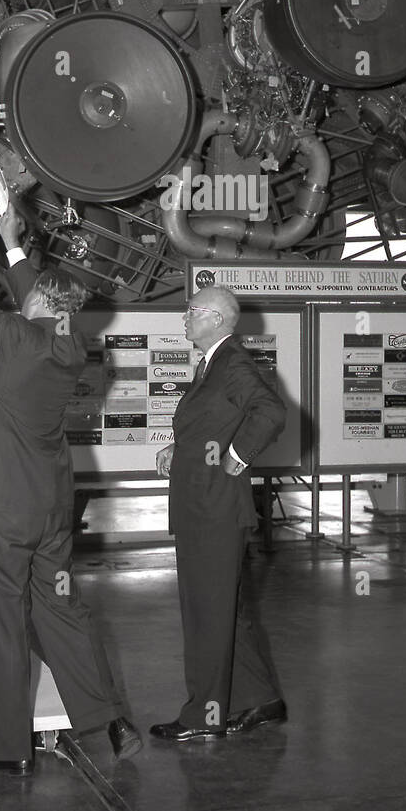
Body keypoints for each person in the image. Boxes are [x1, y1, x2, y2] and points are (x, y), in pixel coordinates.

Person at [0, 182, 141, 774]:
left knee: (0, 622)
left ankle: (8, 752)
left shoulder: (14, 340)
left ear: (37, 305)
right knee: (62, 612)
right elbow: (38, 294)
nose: (18, 296)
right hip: (51, 512)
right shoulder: (68, 348)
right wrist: (6, 241)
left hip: (0, 510)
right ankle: (107, 722)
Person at [152, 286, 287, 742]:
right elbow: (214, 421)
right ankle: (261, 699)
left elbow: (270, 412)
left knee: (206, 614)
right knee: (225, 610)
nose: (184, 319)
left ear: (215, 318)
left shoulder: (232, 363)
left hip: (213, 507)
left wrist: (238, 456)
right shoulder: (214, 363)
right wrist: (183, 447)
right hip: (202, 503)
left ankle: (203, 717)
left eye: (190, 312)